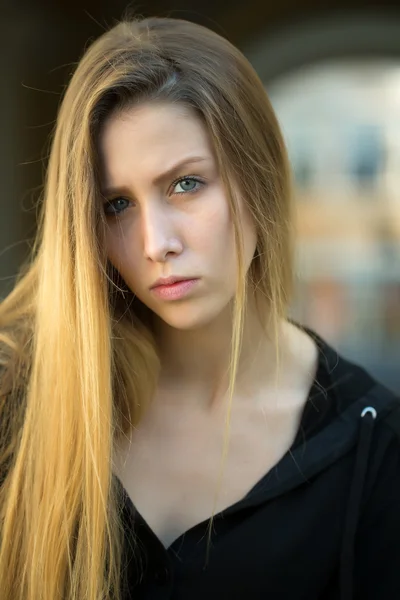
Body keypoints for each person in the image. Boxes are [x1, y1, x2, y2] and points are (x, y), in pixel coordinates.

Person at [0, 16, 399, 600]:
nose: (154, 243)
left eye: (185, 185)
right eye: (116, 205)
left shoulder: (376, 452)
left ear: (257, 177)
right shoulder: (22, 397)